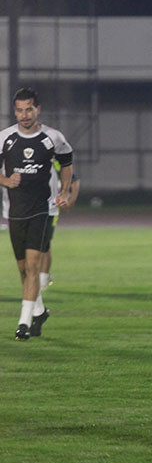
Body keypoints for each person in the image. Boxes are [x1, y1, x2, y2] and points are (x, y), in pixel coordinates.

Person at [1, 88, 74, 341]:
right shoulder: (5, 138)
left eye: (29, 109)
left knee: (32, 265)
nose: (24, 115)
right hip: (14, 211)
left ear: (37, 109)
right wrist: (5, 180)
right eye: (20, 110)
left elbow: (67, 162)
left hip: (42, 209)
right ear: (15, 111)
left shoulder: (53, 137)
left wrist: (64, 191)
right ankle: (39, 311)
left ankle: (23, 323)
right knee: (22, 269)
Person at [38, 165, 81, 293]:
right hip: (29, 207)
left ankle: (43, 278)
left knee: (44, 243)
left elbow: (74, 180)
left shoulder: (55, 161)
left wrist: (70, 201)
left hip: (50, 209)